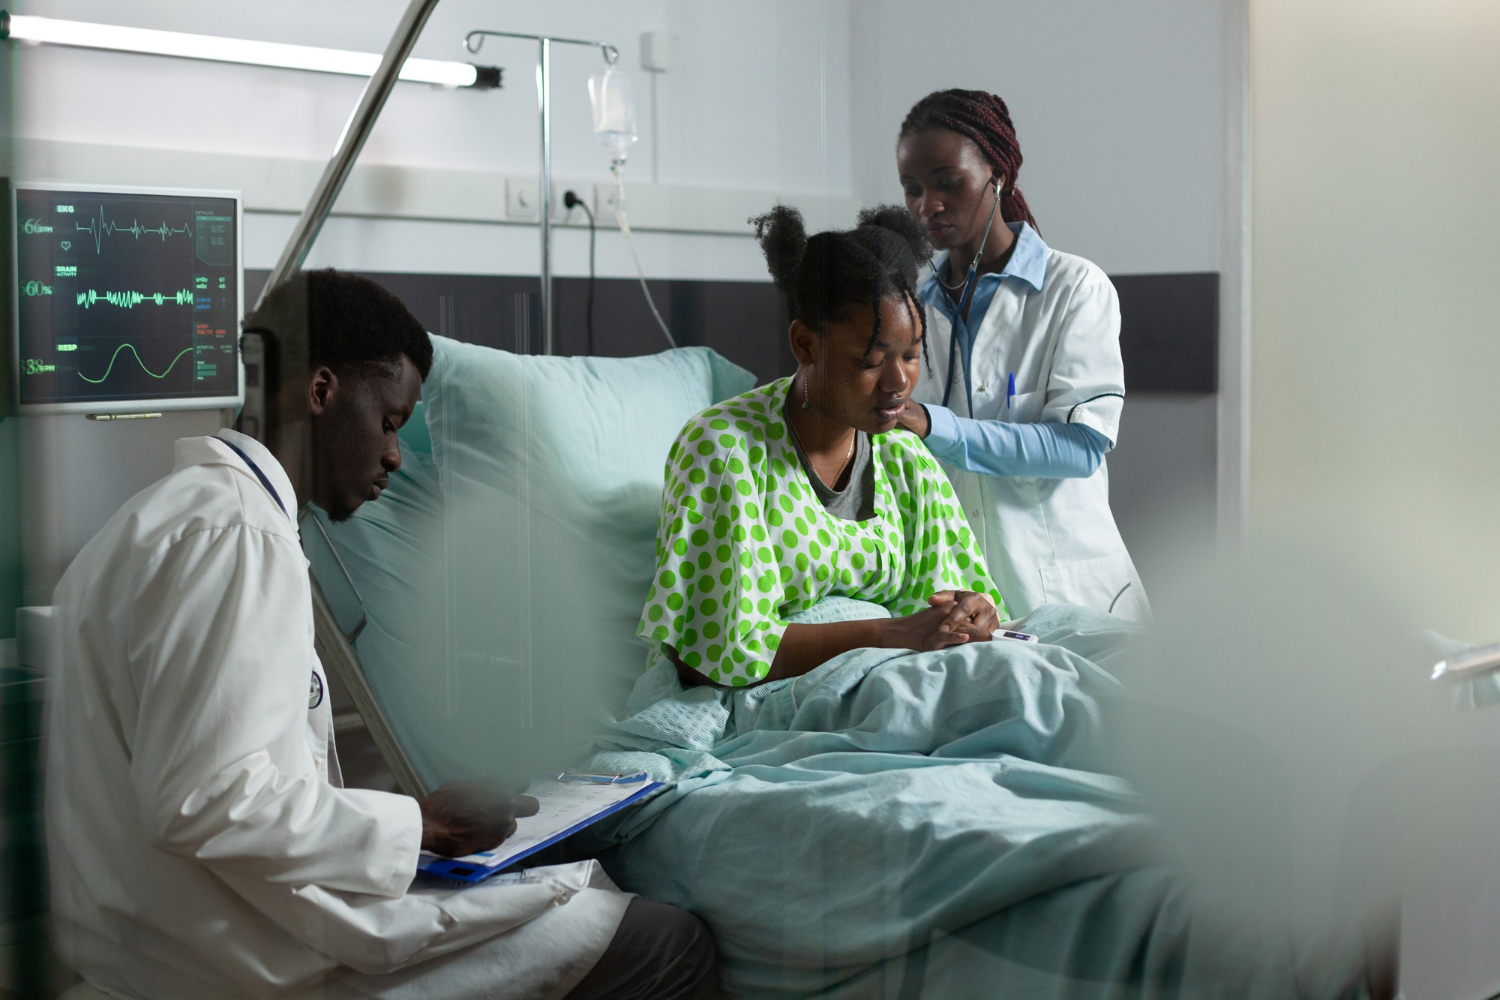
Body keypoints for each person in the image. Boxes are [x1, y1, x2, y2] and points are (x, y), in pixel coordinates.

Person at [44, 268, 716, 1000]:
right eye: (390, 422)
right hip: (240, 964)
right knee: (662, 941)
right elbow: (210, 801)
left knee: (560, 896)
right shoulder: (237, 535)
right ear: (322, 390)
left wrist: (407, 830)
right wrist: (421, 824)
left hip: (167, 943)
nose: (394, 456)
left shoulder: (144, 528)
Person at [641, 206, 1005, 688]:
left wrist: (970, 614)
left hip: (897, 675)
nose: (899, 382)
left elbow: (943, 600)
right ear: (804, 345)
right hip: (774, 693)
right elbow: (706, 656)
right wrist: (887, 634)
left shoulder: (903, 457)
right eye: (872, 360)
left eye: (913, 355)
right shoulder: (724, 451)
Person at [894, 88, 1150, 622]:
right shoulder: (912, 304)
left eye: (948, 182)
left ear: (999, 174)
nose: (927, 206)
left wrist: (933, 425)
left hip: (1068, 587)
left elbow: (1080, 448)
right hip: (962, 596)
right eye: (912, 188)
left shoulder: (1075, 288)